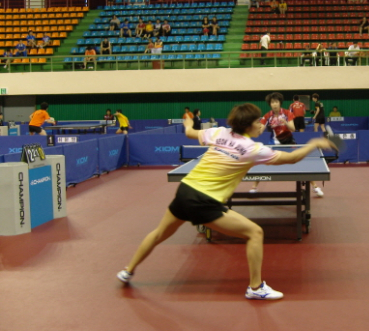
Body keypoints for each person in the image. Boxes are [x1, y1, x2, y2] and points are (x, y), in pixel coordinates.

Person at [116, 103, 337, 299]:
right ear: (248, 126)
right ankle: (255, 287)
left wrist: (188, 122)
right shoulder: (253, 149)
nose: (261, 124)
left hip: (185, 190)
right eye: (257, 121)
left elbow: (190, 132)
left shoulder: (219, 132)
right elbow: (291, 158)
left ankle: (128, 270)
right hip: (205, 201)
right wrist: (314, 143)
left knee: (158, 234)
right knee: (255, 233)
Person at [250, 93, 325, 197]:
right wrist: (256, 125)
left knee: (301, 163)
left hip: (289, 142)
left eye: (276, 102)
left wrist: (285, 122)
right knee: (262, 163)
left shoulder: (287, 113)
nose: (274, 104)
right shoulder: (267, 116)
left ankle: (315, 186)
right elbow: (260, 131)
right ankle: (254, 187)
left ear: (280, 103)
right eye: (272, 102)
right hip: (274, 144)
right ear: (270, 104)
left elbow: (293, 128)